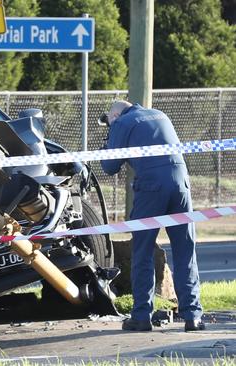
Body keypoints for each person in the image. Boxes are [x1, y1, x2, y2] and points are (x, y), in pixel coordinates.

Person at [101, 100, 204, 332]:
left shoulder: (122, 122)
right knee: (185, 251)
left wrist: (108, 141)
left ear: (115, 115)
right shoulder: (159, 113)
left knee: (143, 251)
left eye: (109, 121)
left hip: (151, 188)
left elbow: (109, 166)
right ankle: (193, 317)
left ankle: (141, 316)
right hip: (181, 185)